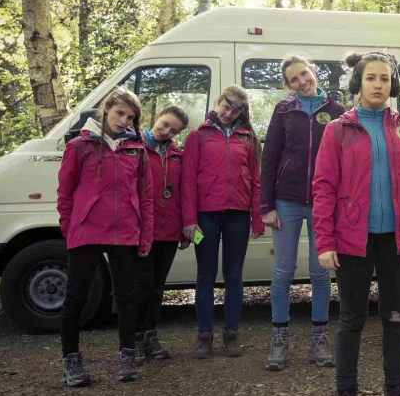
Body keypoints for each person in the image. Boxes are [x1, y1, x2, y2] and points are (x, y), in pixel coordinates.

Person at [313, 51, 400, 396]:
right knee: (352, 319)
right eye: (371, 78)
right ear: (358, 83)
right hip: (352, 241)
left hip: (398, 241)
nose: (378, 84)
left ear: (392, 85)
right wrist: (324, 242)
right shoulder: (337, 130)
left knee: (395, 318)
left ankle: (395, 394)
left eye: (384, 78)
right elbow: (323, 188)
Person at [57, 86, 153, 385]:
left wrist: (144, 236)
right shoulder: (79, 146)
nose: (123, 121)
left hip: (125, 231)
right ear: (106, 110)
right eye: (119, 113)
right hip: (86, 230)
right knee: (76, 297)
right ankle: (71, 361)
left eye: (130, 117)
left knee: (126, 296)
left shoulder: (137, 150)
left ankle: (127, 356)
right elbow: (65, 193)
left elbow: (146, 197)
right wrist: (70, 228)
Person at [261, 54, 347, 371]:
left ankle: (319, 340)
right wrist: (266, 206)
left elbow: (345, 159)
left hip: (324, 202)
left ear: (313, 71)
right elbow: (269, 158)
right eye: (293, 80)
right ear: (288, 85)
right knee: (283, 271)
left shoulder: (337, 110)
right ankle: (279, 341)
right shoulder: (283, 110)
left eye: (303, 74)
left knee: (320, 272)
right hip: (287, 200)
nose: (301, 82)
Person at [181, 85, 264, 359]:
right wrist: (189, 220)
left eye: (235, 111)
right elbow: (188, 180)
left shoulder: (248, 138)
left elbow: (256, 180)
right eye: (226, 107)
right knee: (205, 276)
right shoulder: (197, 135)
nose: (229, 114)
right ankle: (204, 335)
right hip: (205, 217)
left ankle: (231, 333)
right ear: (218, 103)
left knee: (234, 276)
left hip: (238, 216)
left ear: (242, 112)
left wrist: (257, 217)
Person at [133, 106, 191, 365]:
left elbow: (184, 193)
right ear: (157, 117)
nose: (166, 131)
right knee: (141, 286)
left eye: (173, 130)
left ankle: (151, 336)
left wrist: (185, 226)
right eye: (165, 124)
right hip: (142, 230)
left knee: (157, 288)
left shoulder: (177, 156)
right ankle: (134, 339)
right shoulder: (135, 147)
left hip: (169, 231)